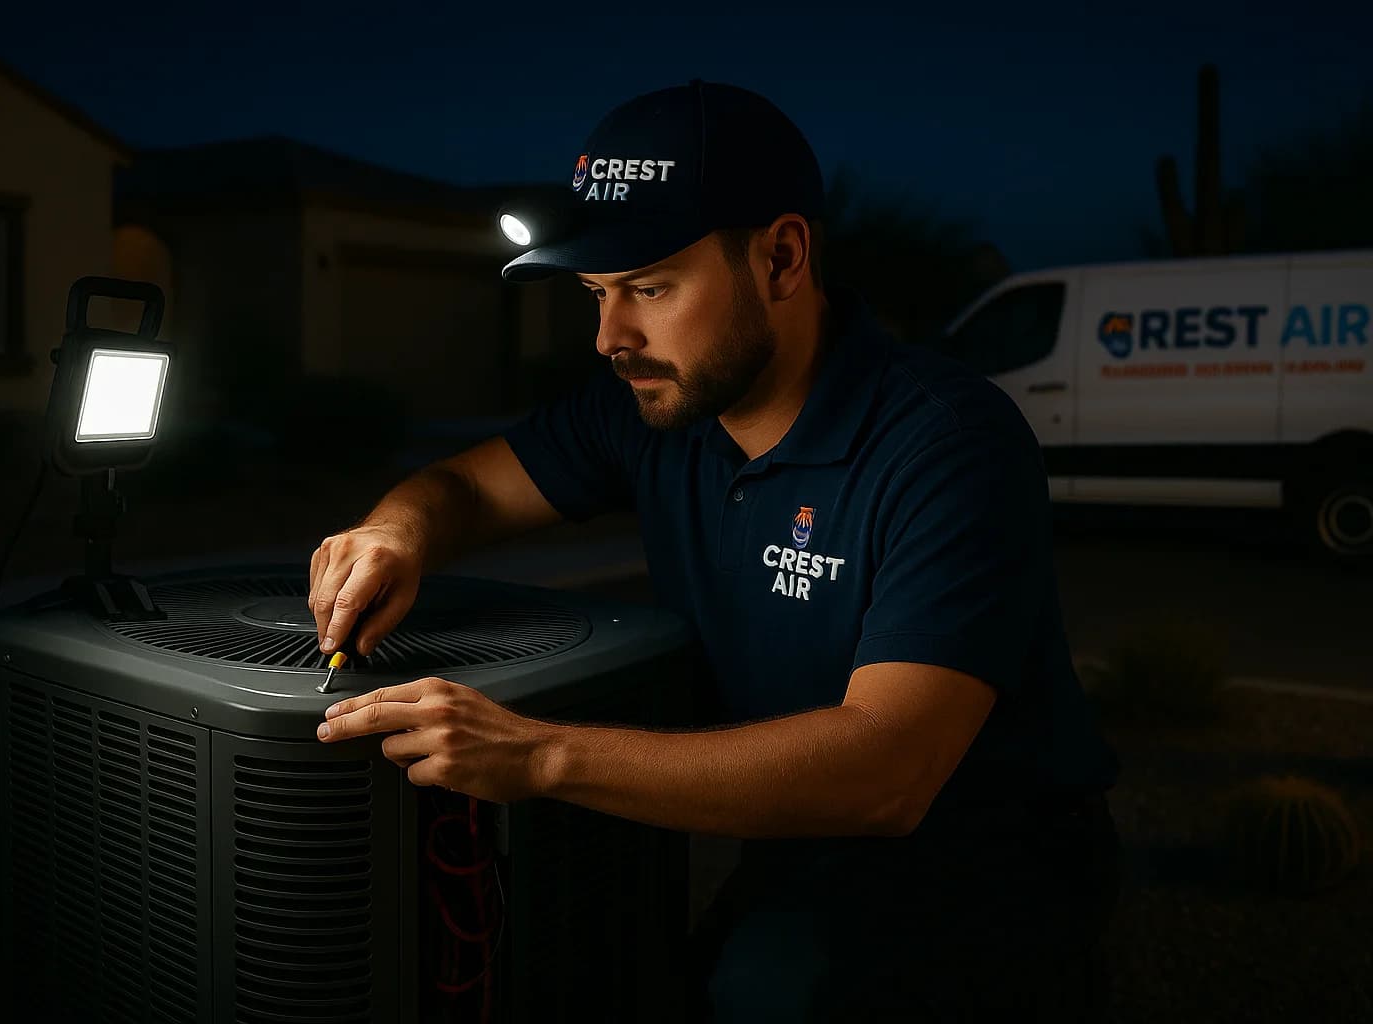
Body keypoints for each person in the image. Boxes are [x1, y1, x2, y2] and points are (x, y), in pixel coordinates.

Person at [308, 80, 1123, 1021]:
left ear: (781, 257)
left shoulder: (947, 444)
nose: (612, 338)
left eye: (650, 288)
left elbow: (887, 770)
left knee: (761, 993)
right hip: (799, 843)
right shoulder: (654, 409)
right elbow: (460, 487)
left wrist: (538, 756)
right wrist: (392, 534)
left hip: (986, 860)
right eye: (596, 294)